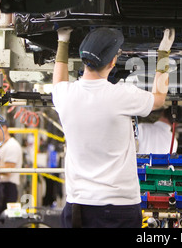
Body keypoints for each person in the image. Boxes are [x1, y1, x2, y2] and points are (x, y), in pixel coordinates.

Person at [52, 26, 174, 228]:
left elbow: (58, 80)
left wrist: (62, 41)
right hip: (119, 207)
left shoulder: (64, 95)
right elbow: (159, 99)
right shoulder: (121, 95)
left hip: (78, 207)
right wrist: (163, 52)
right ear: (112, 62)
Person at [0, 120, 23, 212]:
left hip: (8, 188)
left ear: (4, 128)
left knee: (5, 219)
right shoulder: (1, 145)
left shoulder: (12, 146)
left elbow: (8, 170)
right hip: (1, 186)